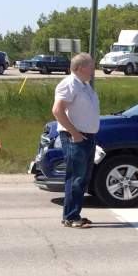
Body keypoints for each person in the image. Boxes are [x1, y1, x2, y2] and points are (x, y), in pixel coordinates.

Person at [52, 53, 101, 228]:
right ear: (80, 67)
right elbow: (57, 111)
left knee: (83, 178)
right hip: (75, 137)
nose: (93, 70)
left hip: (87, 136)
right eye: (91, 66)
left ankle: (75, 214)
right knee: (75, 178)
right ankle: (70, 217)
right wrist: (75, 134)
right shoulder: (69, 84)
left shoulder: (84, 85)